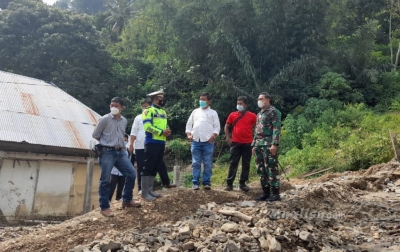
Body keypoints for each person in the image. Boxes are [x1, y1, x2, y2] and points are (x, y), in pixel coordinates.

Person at [92, 97, 141, 217]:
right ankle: (104, 207)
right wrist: (107, 143)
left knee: (131, 173)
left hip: (121, 152)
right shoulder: (104, 119)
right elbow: (95, 135)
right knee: (105, 180)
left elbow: (121, 135)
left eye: (116, 106)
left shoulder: (124, 120)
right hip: (107, 152)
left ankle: (127, 199)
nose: (113, 107)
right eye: (111, 105)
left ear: (122, 108)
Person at [129, 99, 176, 195]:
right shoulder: (139, 117)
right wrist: (131, 144)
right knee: (143, 166)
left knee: (157, 165)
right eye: (143, 107)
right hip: (142, 145)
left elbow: (164, 125)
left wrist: (166, 131)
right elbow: (134, 132)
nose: (145, 108)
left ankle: (152, 188)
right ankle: (142, 190)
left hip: (158, 142)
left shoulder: (161, 112)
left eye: (146, 106)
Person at [185, 92, 220, 190]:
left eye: (204, 99)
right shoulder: (195, 112)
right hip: (196, 140)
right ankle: (195, 182)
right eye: (200, 99)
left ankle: (206, 182)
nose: (201, 101)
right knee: (196, 163)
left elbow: (217, 127)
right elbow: (189, 124)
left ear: (209, 101)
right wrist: (189, 134)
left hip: (208, 141)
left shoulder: (213, 113)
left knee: (208, 163)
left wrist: (213, 135)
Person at [141, 89, 171, 200]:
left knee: (155, 166)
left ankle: (150, 190)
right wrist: (161, 132)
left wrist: (167, 131)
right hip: (151, 142)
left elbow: (164, 126)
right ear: (155, 99)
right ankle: (144, 193)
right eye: (161, 99)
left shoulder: (163, 112)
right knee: (147, 166)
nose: (163, 100)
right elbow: (147, 126)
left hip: (161, 142)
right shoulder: (148, 111)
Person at [252, 92, 282, 202]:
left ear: (268, 100)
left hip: (268, 144)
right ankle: (265, 192)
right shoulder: (259, 114)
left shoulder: (273, 112)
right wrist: (253, 144)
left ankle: (275, 193)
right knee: (261, 169)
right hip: (258, 144)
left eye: (261, 98)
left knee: (271, 168)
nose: (259, 100)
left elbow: (276, 128)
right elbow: (256, 130)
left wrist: (275, 144)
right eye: (258, 98)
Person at [224, 96, 257, 192]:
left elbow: (257, 127)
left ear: (245, 105)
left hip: (248, 143)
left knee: (246, 163)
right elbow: (227, 126)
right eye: (238, 103)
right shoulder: (232, 115)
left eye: (241, 104)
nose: (238, 105)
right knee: (233, 163)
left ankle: (242, 183)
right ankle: (229, 184)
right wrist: (228, 137)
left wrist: (255, 139)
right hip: (235, 143)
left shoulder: (252, 116)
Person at [109, 134, 130, 201]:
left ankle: (118, 206)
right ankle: (106, 205)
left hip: (122, 174)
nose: (124, 142)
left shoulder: (128, 151)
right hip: (113, 173)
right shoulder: (114, 150)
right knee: (110, 190)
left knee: (120, 192)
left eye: (126, 140)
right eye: (122, 140)